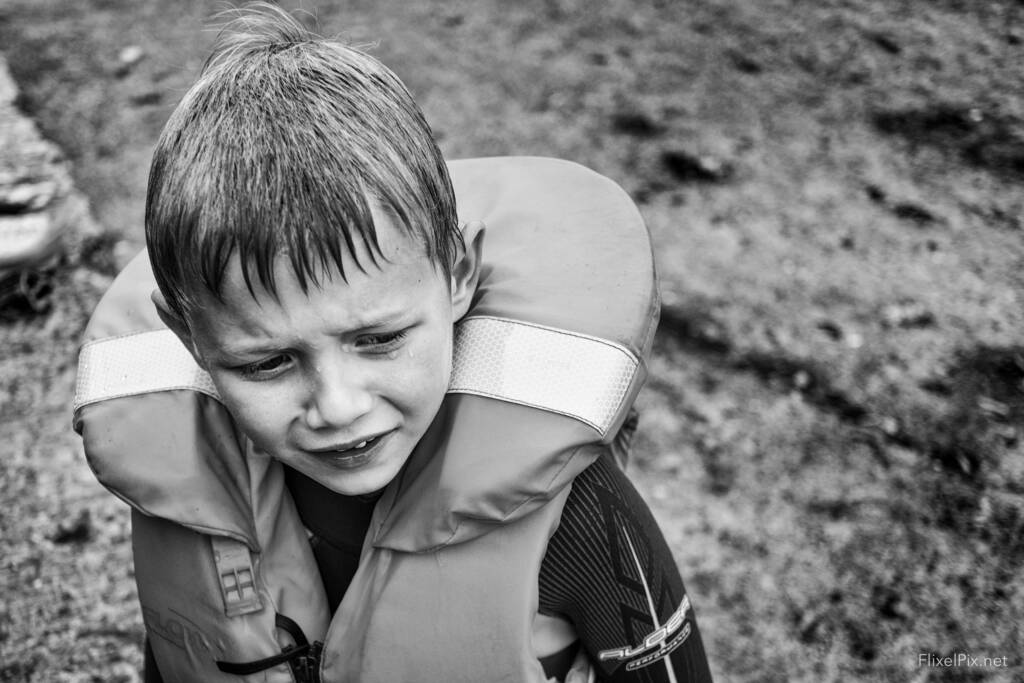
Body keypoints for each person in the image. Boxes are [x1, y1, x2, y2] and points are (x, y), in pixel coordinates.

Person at [73, 4, 713, 682]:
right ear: (189, 339)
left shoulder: (579, 509)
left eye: (376, 338)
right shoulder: (186, 491)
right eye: (266, 361)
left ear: (458, 274)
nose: (339, 405)